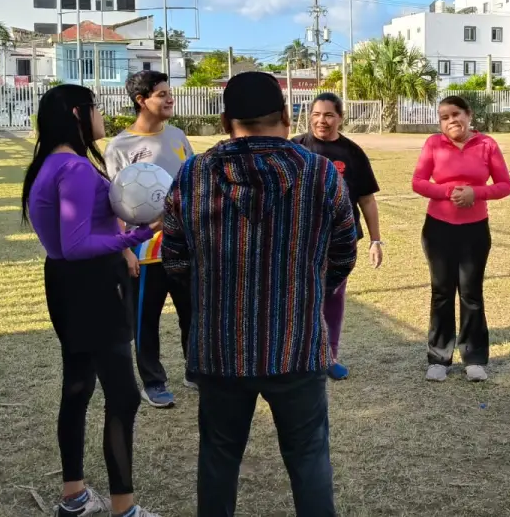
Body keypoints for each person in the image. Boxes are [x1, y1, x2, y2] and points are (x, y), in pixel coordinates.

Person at [161, 72, 357, 516]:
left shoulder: (194, 174)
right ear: (287, 116)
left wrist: (213, 295)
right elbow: (344, 252)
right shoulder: (320, 174)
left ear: (225, 121)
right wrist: (306, 292)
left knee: (218, 457)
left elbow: (174, 258)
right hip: (297, 344)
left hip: (219, 347)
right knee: (309, 457)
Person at [22, 84, 162, 517]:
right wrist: (141, 235)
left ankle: (75, 497)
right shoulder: (76, 168)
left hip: (68, 284)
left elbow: (71, 241)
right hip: (91, 286)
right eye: (96, 107)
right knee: (123, 397)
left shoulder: (52, 162)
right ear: (77, 113)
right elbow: (77, 244)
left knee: (79, 387)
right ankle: (124, 508)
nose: (102, 115)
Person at [105, 70, 196, 409]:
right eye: (161, 94)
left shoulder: (177, 136)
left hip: (184, 244)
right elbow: (113, 204)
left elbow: (191, 183)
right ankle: (153, 382)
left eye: (169, 92)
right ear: (141, 100)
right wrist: (125, 250)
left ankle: (195, 370)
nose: (170, 98)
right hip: (144, 250)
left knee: (193, 312)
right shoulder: (120, 146)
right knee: (146, 319)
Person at [412, 95, 510, 383]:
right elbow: (418, 182)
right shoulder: (433, 144)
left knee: (471, 293)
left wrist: (475, 193)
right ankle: (439, 358)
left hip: (475, 229)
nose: (451, 121)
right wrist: (448, 192)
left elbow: (505, 185)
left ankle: (474, 357)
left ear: (468, 115)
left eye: (456, 114)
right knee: (441, 292)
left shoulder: (487, 144)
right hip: (438, 229)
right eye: (444, 117)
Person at [292, 92, 384, 381]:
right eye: (316, 114)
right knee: (300, 297)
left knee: (333, 295)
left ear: (340, 118)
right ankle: (299, 356)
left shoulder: (352, 153)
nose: (322, 120)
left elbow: (366, 199)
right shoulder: (295, 148)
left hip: (340, 240)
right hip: (301, 239)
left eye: (329, 115)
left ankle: (329, 356)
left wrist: (375, 240)